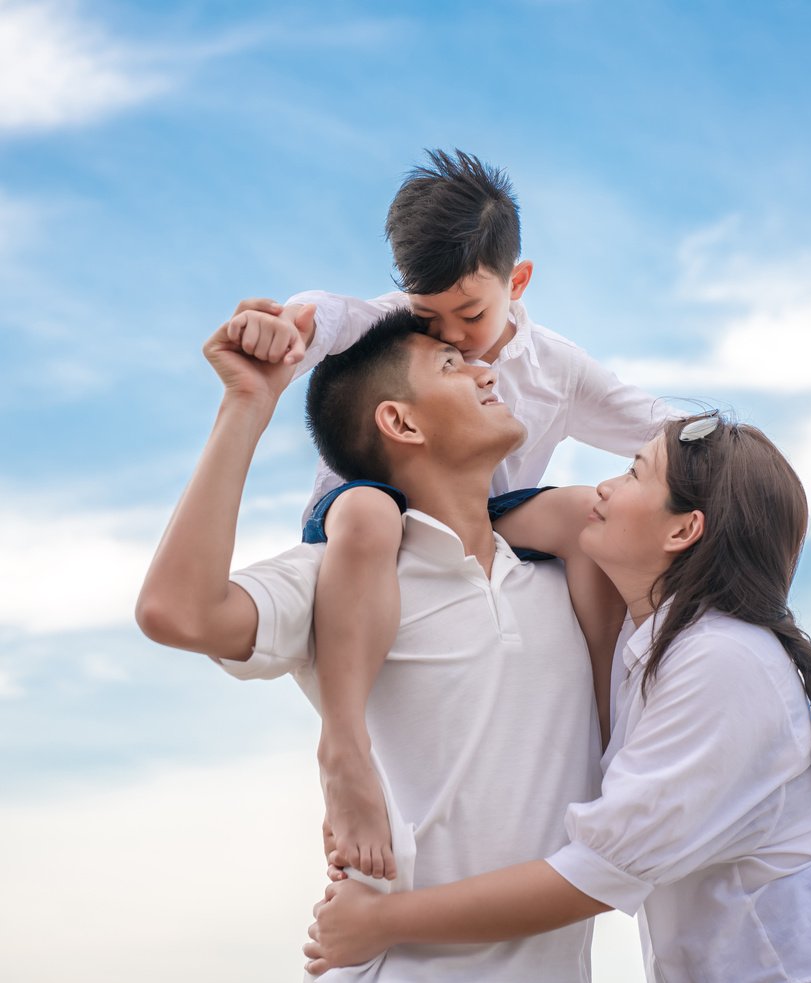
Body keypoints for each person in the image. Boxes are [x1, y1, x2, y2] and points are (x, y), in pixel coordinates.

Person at [303, 413, 811, 983]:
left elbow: (594, 872)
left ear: (683, 529)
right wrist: (373, 512)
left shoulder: (724, 658)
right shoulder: (653, 641)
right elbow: (482, 517)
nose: (606, 488)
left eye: (636, 474)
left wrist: (383, 920)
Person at [226, 149, 670, 879]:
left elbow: (647, 421)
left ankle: (607, 728)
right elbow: (328, 314)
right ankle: (342, 744)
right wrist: (283, 326)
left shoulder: (557, 368)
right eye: (431, 318)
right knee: (371, 513)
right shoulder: (403, 327)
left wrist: (728, 443)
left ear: (517, 281)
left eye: (470, 314)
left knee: (582, 515)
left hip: (485, 520)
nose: (455, 338)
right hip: (369, 508)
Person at [136, 308, 606, 982]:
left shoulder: (561, 572)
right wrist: (246, 403)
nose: (484, 370)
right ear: (402, 422)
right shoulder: (348, 576)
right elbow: (175, 610)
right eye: (451, 365)